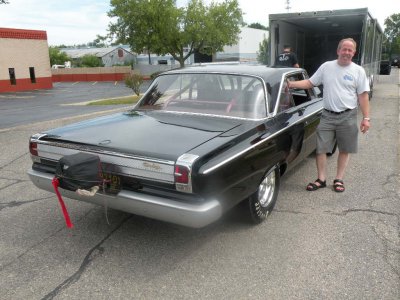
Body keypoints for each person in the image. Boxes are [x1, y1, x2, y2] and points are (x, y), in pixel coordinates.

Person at [287, 38, 370, 192]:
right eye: (344, 49)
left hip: (348, 115)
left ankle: (339, 179)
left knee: (345, 149)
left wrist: (366, 118)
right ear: (338, 50)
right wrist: (291, 84)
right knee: (321, 148)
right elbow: (310, 83)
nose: (346, 52)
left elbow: (363, 96)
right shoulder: (326, 67)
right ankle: (321, 179)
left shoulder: (358, 71)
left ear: (354, 53)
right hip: (327, 115)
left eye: (350, 50)